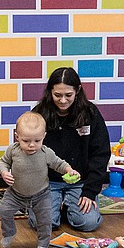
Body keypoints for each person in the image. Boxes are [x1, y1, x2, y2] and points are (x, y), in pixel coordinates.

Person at [30, 67, 111, 233]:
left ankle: (68, 206)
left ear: (78, 90)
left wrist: (89, 192)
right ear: (49, 91)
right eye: (57, 95)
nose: (63, 101)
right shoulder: (39, 114)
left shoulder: (90, 113)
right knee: (44, 223)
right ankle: (54, 205)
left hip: (80, 182)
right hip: (47, 183)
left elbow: (100, 155)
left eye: (68, 95)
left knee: (87, 223)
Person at [0, 112, 80, 248]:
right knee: (3, 210)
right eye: (26, 141)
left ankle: (43, 243)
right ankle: (9, 233)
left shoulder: (45, 152)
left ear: (44, 137)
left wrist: (69, 170)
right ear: (17, 137)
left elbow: (58, 164)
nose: (31, 145)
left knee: (45, 220)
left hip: (41, 195)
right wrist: (4, 173)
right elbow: (4, 162)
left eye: (37, 140)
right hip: (15, 193)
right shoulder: (13, 150)